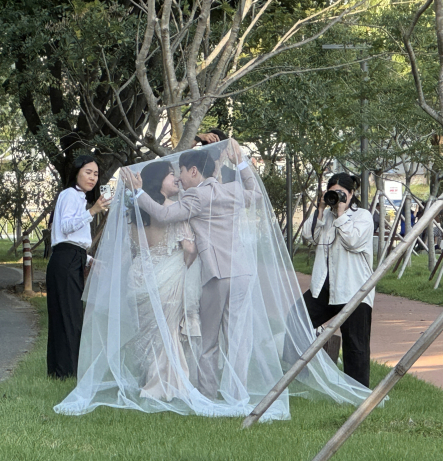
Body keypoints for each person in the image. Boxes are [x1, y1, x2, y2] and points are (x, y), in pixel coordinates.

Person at [55, 140, 372, 419]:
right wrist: (243, 162)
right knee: (237, 339)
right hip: (243, 272)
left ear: (194, 172)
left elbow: (163, 216)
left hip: (217, 275)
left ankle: (206, 396)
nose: (179, 178)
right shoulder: (233, 189)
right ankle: (237, 395)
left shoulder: (195, 198)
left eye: (181, 172)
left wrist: (137, 191)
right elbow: (255, 193)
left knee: (207, 343)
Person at [128, 161, 202, 401]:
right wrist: (186, 264)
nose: (176, 179)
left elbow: (133, 246)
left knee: (148, 332)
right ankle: (163, 383)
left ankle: (148, 378)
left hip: (139, 274)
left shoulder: (135, 211)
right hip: (166, 275)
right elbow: (189, 247)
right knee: (166, 331)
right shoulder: (174, 209)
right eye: (171, 175)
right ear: (159, 180)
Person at [302, 173, 374, 387]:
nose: (338, 198)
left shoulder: (362, 216)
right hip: (324, 286)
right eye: (333, 193)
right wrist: (321, 209)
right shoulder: (326, 216)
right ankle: (300, 376)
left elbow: (353, 241)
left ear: (352, 194)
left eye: (342, 193)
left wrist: (342, 213)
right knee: (296, 322)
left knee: (356, 345)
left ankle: (358, 391)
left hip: (354, 289)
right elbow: (308, 236)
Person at [46, 155, 110, 379]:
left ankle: (62, 369)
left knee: (70, 315)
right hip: (66, 260)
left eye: (95, 174)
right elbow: (65, 228)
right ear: (76, 173)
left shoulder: (79, 198)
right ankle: (65, 371)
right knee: (68, 316)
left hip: (72, 257)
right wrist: (93, 211)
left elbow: (75, 241)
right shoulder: (69, 195)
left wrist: (91, 261)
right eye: (88, 172)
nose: (92, 177)